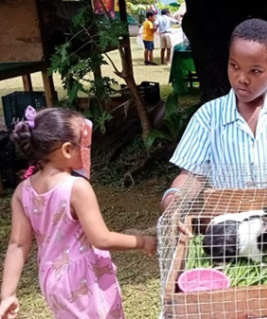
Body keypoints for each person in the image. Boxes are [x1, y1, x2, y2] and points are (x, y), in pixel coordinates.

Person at [0, 106, 157, 319]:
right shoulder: (76, 187)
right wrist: (142, 241)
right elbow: (101, 238)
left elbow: (18, 244)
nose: (88, 150)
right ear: (67, 149)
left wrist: (7, 295)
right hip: (85, 277)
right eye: (85, 145)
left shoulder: (22, 191)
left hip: (52, 280)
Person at [160, 18, 267, 212]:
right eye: (234, 66)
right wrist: (174, 201)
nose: (242, 78)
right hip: (231, 224)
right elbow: (191, 175)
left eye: (254, 71)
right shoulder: (208, 116)